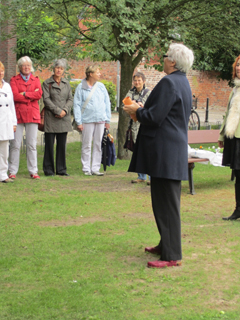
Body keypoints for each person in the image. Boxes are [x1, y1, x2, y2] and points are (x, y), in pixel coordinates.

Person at [123, 43, 194, 268]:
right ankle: (166, 244)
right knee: (163, 202)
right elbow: (165, 113)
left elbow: (155, 117)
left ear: (172, 61)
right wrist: (144, 110)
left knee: (167, 204)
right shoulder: (182, 82)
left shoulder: (169, 82)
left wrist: (137, 111)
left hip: (166, 151)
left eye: (165, 56)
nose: (163, 59)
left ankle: (172, 256)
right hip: (170, 149)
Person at [73, 65, 111, 176]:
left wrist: (107, 119)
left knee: (98, 144)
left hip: (100, 119)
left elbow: (107, 103)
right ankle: (86, 168)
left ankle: (95, 168)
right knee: (86, 144)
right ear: (90, 74)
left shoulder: (101, 87)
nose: (99, 74)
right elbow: (77, 105)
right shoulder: (81, 87)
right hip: (87, 119)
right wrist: (78, 122)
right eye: (97, 72)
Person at [9, 56, 42, 179]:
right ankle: (12, 171)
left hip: (32, 115)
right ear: (20, 67)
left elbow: (39, 94)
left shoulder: (35, 79)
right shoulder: (14, 80)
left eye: (28, 65)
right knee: (15, 144)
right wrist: (30, 96)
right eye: (24, 65)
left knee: (32, 144)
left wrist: (25, 94)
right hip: (18, 115)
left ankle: (33, 171)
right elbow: (15, 96)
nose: (26, 67)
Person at [42, 59, 73, 176]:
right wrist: (57, 111)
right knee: (49, 145)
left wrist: (64, 110)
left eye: (61, 68)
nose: (59, 70)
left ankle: (61, 170)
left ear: (64, 70)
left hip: (64, 118)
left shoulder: (67, 83)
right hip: (51, 118)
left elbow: (70, 99)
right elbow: (46, 99)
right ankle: (48, 170)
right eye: (57, 68)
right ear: (53, 69)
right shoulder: (46, 83)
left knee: (62, 145)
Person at [219, 55, 240, 220]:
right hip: (234, 136)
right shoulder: (235, 89)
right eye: (238, 65)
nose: (239, 68)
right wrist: (222, 134)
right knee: (238, 174)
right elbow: (227, 113)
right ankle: (238, 209)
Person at [122, 72, 151, 184]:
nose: (137, 82)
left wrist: (134, 105)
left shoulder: (148, 93)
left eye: (139, 80)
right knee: (138, 149)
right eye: (135, 80)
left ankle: (151, 177)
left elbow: (143, 106)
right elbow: (124, 103)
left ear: (144, 81)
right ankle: (141, 176)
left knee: (147, 150)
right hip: (134, 124)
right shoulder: (131, 92)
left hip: (144, 124)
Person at [0, 61, 17, 183]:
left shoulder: (7, 86)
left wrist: (14, 122)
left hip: (6, 122)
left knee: (4, 151)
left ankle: (3, 174)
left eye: (2, 71)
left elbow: (11, 106)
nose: (0, 73)